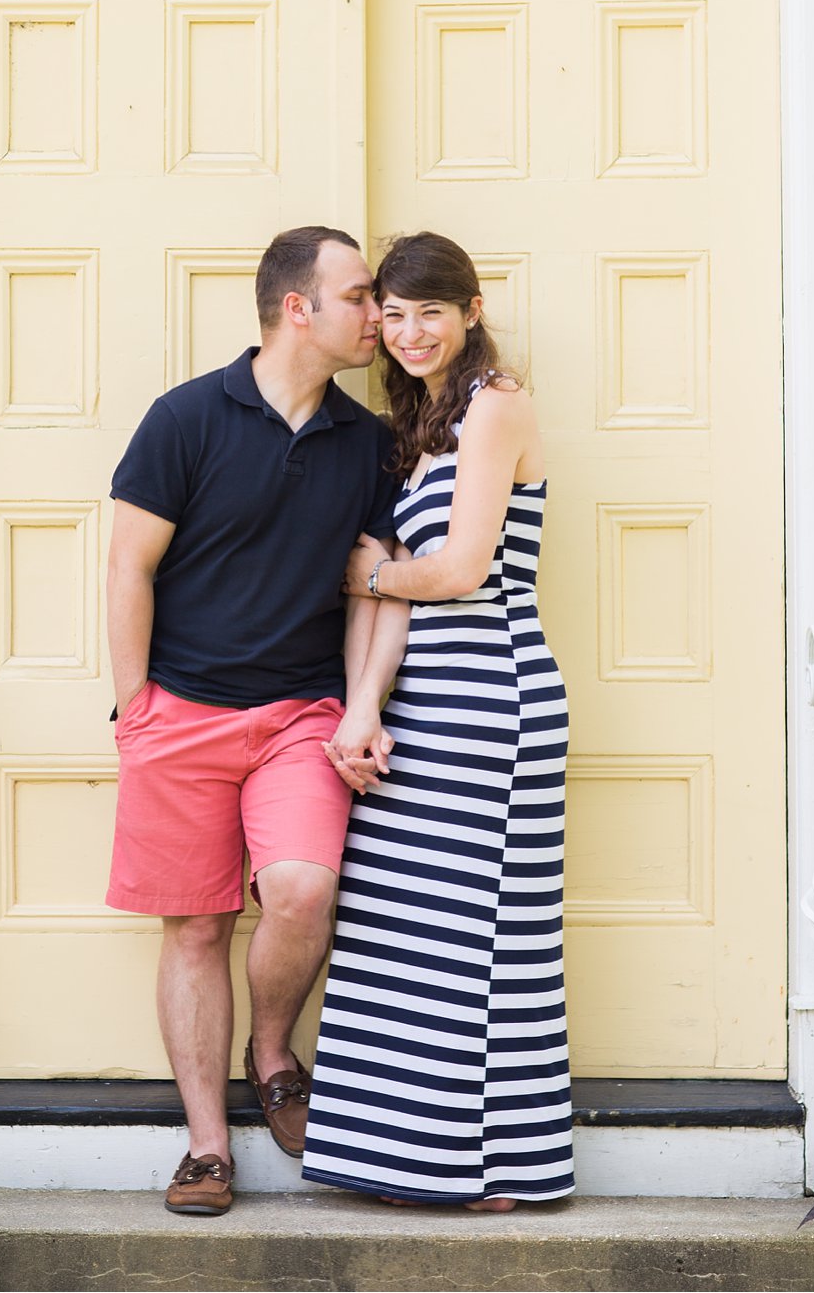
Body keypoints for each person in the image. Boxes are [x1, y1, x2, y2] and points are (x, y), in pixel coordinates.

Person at [104, 226, 399, 1216]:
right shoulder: (184, 419)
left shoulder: (368, 444)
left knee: (303, 891)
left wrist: (360, 707)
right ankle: (204, 1146)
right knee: (193, 926)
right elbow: (127, 566)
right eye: (361, 295)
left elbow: (370, 586)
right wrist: (136, 703)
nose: (380, 315)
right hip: (178, 712)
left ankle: (272, 1049)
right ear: (297, 308)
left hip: (297, 715)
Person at [300, 231, 576, 1209]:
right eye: (396, 313)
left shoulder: (495, 405)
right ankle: (414, 1157)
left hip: (488, 695)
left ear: (469, 312)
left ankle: (497, 1166)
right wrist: (364, 702)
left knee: (481, 933)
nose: (411, 332)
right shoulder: (418, 422)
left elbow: (458, 573)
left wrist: (372, 573)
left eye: (431, 312)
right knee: (409, 929)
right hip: (424, 698)